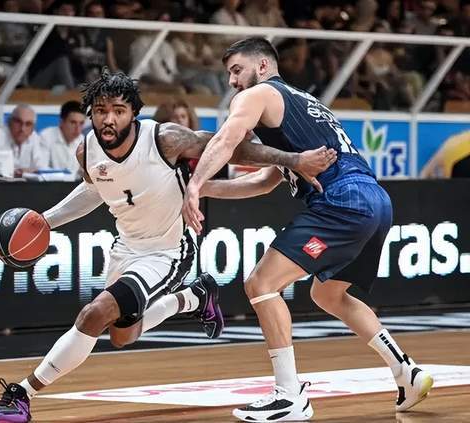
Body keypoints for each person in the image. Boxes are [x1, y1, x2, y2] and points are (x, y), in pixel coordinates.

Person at [0, 68, 336, 423]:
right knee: (122, 336)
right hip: (126, 247)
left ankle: (22, 394)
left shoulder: (166, 139)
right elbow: (93, 190)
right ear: (91, 113)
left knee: (95, 313)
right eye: (101, 110)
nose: (109, 119)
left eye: (118, 110)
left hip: (168, 251)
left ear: (133, 113)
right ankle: (194, 297)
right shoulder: (86, 150)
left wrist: (292, 159)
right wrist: (45, 221)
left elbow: (229, 146)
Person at [182, 37, 433, 422]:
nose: (232, 81)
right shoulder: (303, 105)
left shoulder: (259, 94)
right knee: (328, 294)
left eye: (236, 70)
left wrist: (196, 183)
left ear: (262, 66)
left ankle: (289, 396)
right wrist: (203, 189)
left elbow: (227, 138)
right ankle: (406, 371)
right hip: (374, 200)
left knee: (261, 284)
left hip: (343, 201)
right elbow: (263, 182)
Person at [0, 104, 49, 177]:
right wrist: (20, 171)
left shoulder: (34, 138)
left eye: (28, 124)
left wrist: (18, 171)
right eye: (18, 122)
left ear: (33, 128)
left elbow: (42, 169)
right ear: (9, 122)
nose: (22, 129)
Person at [39, 100, 86, 180]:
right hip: (50, 185)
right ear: (61, 122)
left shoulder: (83, 140)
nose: (78, 129)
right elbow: (42, 170)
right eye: (73, 122)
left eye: (81, 123)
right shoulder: (46, 136)